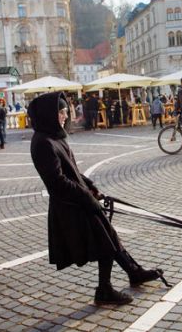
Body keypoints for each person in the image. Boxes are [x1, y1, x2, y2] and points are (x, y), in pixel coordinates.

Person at [28, 92, 165, 306]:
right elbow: (57, 182)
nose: (65, 116)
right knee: (105, 242)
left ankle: (133, 272)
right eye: (61, 112)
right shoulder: (42, 143)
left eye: (66, 112)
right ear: (50, 114)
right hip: (69, 206)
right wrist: (86, 197)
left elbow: (71, 171)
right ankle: (105, 289)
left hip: (79, 200)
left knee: (108, 238)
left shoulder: (55, 137)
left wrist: (90, 186)